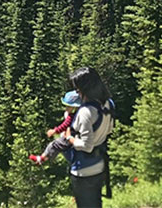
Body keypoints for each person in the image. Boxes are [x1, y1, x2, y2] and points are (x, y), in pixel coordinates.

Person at [64, 67, 114, 208]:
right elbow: (109, 129)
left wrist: (69, 138)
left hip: (83, 170)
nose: (76, 92)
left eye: (77, 88)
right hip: (99, 164)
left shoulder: (85, 112)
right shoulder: (108, 104)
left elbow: (87, 146)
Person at [28, 90, 82, 164]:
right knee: (57, 147)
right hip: (75, 137)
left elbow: (65, 125)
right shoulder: (79, 114)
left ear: (75, 107)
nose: (66, 108)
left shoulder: (72, 117)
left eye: (68, 106)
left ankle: (41, 158)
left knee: (54, 145)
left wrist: (55, 131)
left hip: (70, 138)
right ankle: (43, 159)